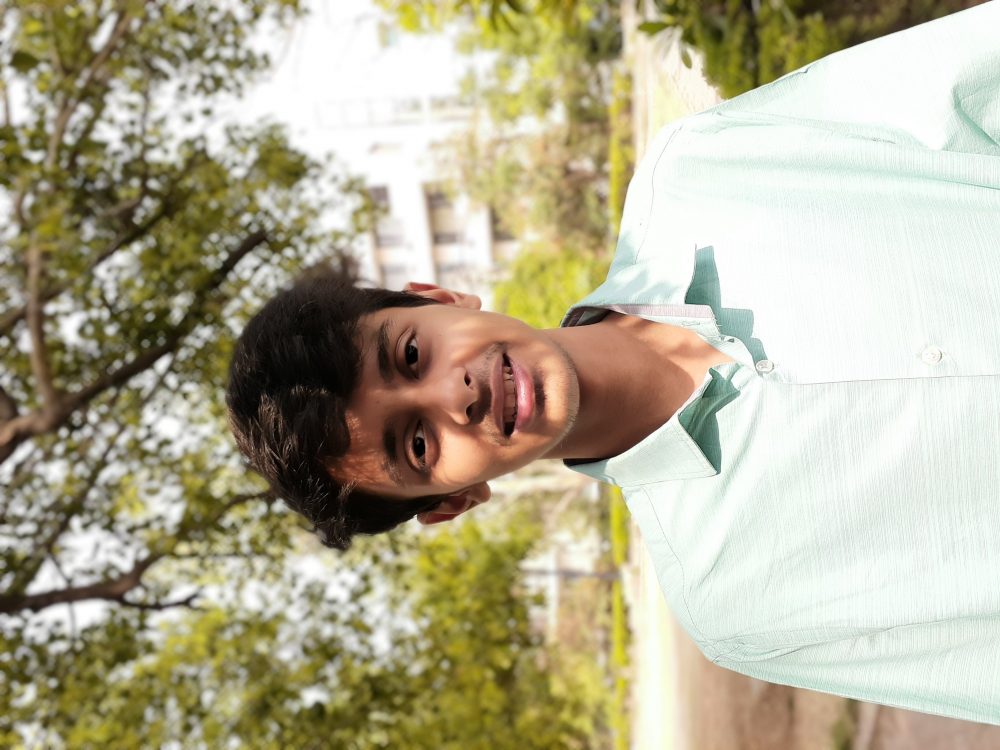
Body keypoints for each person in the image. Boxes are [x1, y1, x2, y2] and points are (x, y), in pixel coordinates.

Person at [226, 2, 1000, 725]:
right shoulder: (741, 603)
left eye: (409, 354)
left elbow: (975, 76)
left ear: (439, 296)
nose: (454, 396)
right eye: (417, 443)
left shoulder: (709, 169)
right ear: (453, 500)